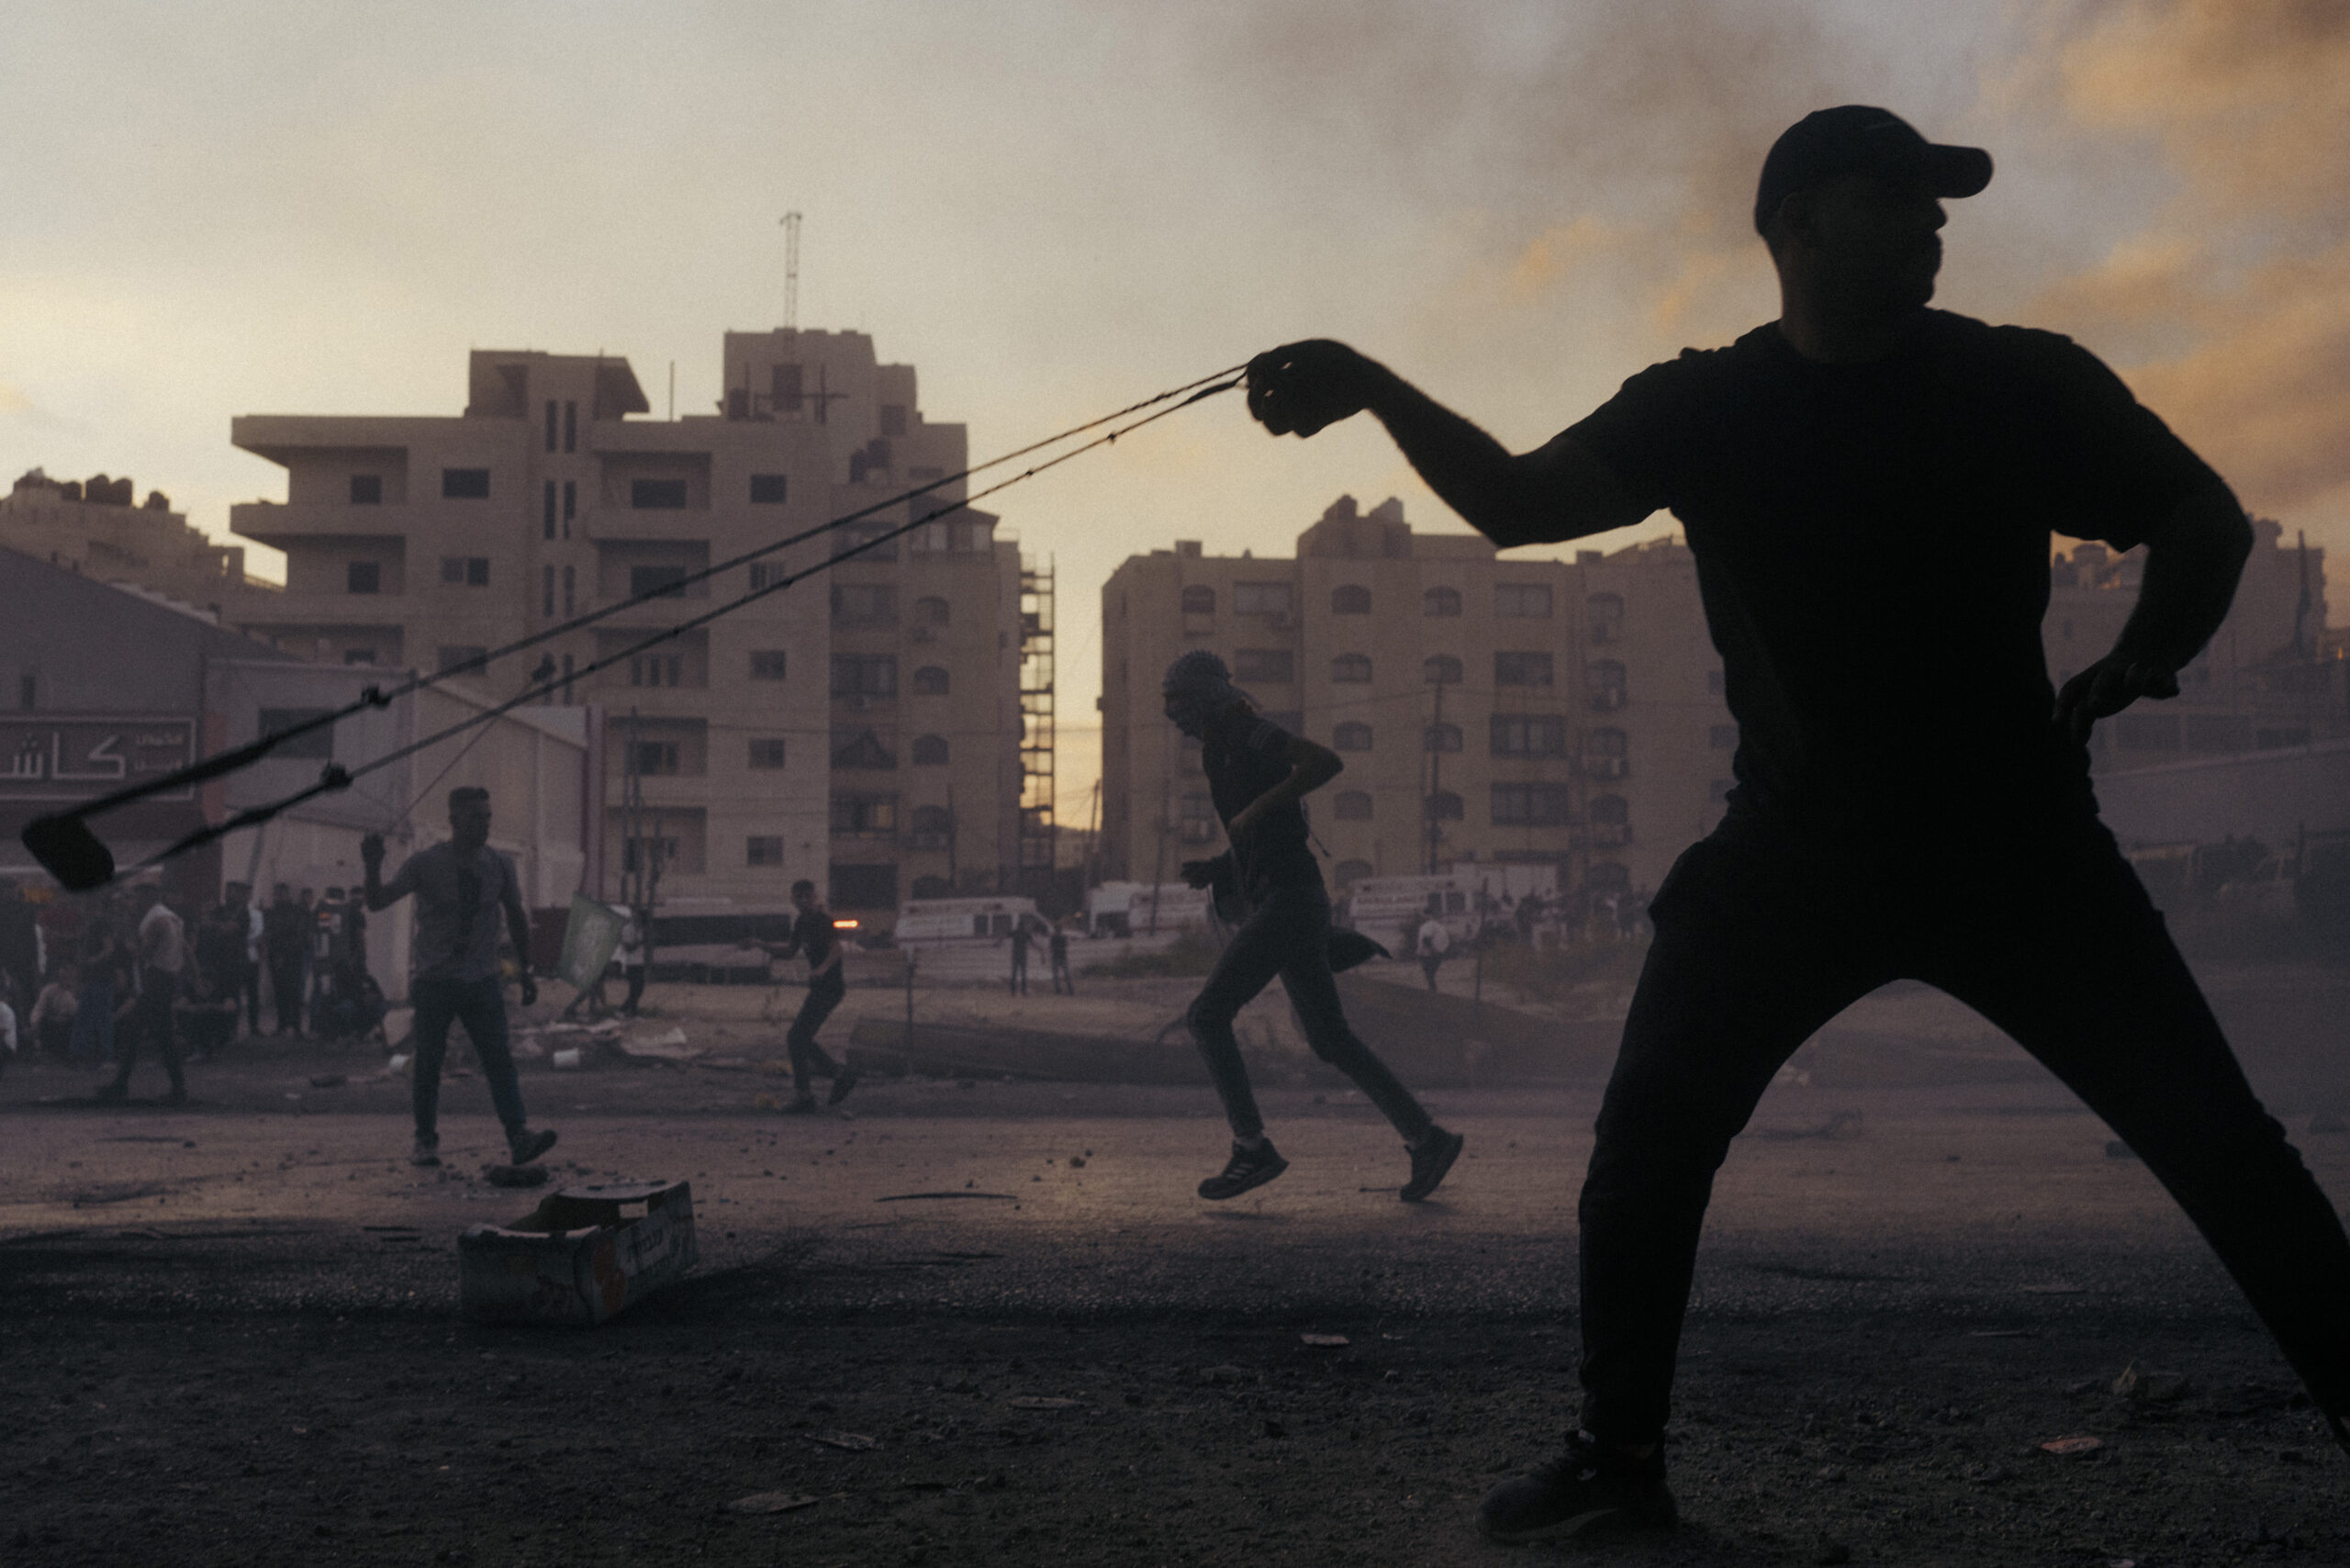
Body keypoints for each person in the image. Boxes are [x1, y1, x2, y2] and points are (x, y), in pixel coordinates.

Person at [1244, 103, 2350, 1540]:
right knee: (1648, 1144)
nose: (1935, 224)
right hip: (1796, 851)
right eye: (1901, 196)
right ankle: (1618, 1463)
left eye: (1940, 204)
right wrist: (1371, 381)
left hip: (2012, 844)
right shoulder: (1707, 406)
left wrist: (2152, 648)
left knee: (2223, 1147)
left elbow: (2202, 516)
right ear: (1800, 223)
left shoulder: (2018, 381)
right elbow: (1518, 504)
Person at [1163, 649, 1464, 1204]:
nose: (1174, 718)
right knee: (1331, 1039)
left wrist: (1256, 810)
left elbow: (1324, 763)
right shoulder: (1216, 752)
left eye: (1179, 704)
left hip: (1289, 902)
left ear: (1206, 698)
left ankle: (1251, 1148)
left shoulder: (1247, 730)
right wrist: (1221, 866)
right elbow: (1264, 833)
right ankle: (1428, 1139)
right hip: (1288, 902)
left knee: (1207, 1016)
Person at [360, 789, 557, 1169]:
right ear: (454, 820)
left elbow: (516, 915)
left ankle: (519, 1136)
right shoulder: (425, 863)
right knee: (428, 1063)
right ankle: (425, 1140)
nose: (484, 824)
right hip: (435, 981)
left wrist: (527, 970)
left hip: (482, 980)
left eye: (487, 816)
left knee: (499, 1060)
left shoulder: (500, 864)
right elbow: (378, 901)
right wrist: (371, 867)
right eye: (475, 817)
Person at [746, 879, 857, 1113]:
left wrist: (822, 969)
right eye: (799, 897)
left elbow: (836, 949)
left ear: (815, 896)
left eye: (808, 896)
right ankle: (820, 1086)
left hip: (830, 987)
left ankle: (828, 1081)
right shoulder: (801, 923)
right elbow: (789, 951)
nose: (804, 901)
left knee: (797, 1038)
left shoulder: (822, 921)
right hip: (819, 988)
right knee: (799, 1039)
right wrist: (761, 945)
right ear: (793, 899)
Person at [95, 882, 187, 1106]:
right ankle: (176, 1088)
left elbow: (144, 954)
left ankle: (122, 1085)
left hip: (157, 979)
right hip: (166, 979)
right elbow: (186, 950)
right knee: (159, 1035)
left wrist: (131, 947)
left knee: (138, 1030)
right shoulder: (171, 918)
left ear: (147, 897)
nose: (135, 902)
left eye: (137, 897)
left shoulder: (157, 920)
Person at [263, 883, 308, 1036]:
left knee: (294, 992)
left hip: (292, 957)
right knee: (280, 991)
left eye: (281, 894)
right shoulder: (272, 913)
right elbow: (268, 933)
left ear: (287, 894)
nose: (278, 897)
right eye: (276, 894)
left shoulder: (297, 911)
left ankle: (296, 1025)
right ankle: (282, 1024)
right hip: (277, 957)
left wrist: (283, 952)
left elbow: (298, 935)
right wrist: (276, 953)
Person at [30, 965, 79, 1058]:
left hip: (67, 1024)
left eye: (66, 977)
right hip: (51, 1023)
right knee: (44, 1022)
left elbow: (76, 1012)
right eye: (61, 977)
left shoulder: (73, 992)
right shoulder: (48, 990)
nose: (63, 980)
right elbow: (39, 1009)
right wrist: (35, 1023)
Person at [615, 907, 647, 1016]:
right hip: (631, 963)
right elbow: (628, 948)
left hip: (640, 962)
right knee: (634, 989)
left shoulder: (641, 929)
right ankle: (630, 1012)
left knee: (639, 990)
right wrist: (639, 942)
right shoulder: (628, 929)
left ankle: (626, 1010)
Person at [1416, 912, 1451, 992]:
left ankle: (1432, 989)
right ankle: (1432, 988)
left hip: (1430, 953)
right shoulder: (1438, 926)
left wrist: (1432, 949)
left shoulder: (1429, 926)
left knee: (1429, 972)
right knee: (1429, 972)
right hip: (1436, 952)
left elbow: (1426, 939)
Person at [1048, 921, 1075, 996]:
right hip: (1063, 957)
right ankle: (1070, 989)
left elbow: (1051, 947)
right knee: (1066, 974)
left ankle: (1058, 989)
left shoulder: (1053, 937)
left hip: (1056, 957)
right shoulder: (1064, 937)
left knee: (1056, 975)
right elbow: (1066, 945)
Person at [1008, 917, 1032, 996]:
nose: (1021, 927)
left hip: (1019, 955)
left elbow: (1004, 936)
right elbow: (1032, 943)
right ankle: (1019, 991)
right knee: (1020, 974)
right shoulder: (1022, 933)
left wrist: (998, 942)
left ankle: (1016, 991)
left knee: (1018, 974)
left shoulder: (1018, 932)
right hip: (1019, 955)